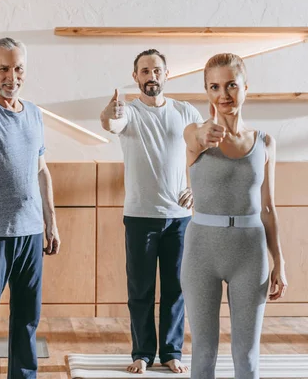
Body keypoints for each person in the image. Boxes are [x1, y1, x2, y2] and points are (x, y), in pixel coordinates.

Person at [181, 53, 288, 379]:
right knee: (204, 351)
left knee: (247, 354)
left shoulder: (265, 142)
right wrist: (202, 136)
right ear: (206, 91)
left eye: (231, 85)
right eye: (214, 87)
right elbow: (194, 138)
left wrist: (279, 262)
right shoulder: (196, 135)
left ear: (245, 87)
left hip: (250, 252)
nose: (223, 94)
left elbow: (268, 207)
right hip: (202, 252)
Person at [0, 37, 60, 379]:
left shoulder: (34, 113)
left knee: (26, 320)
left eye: (18, 68)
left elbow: (41, 169)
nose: (11, 76)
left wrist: (51, 221)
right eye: (3, 68)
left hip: (31, 233)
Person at [100, 49, 203, 374]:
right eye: (145, 71)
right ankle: (142, 353)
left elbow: (208, 150)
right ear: (136, 77)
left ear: (166, 74)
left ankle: (171, 353)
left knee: (176, 288)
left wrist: (196, 188)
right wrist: (109, 111)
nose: (151, 76)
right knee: (141, 289)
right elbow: (110, 122)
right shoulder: (128, 113)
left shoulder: (185, 111)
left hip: (179, 218)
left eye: (156, 70)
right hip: (140, 216)